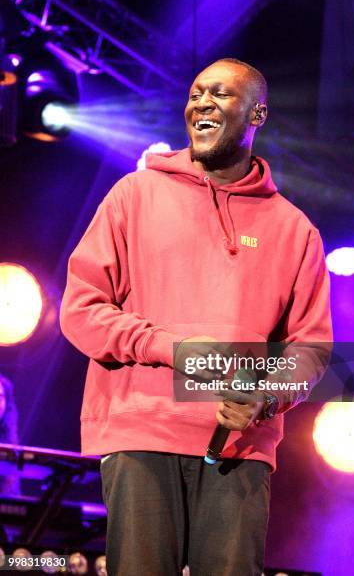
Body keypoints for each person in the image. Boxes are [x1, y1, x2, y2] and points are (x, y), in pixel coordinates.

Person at [60, 58, 332, 576]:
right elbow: (80, 310)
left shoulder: (296, 231)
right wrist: (170, 348)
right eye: (195, 93)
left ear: (258, 113)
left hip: (240, 445)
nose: (201, 102)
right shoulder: (134, 195)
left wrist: (267, 396)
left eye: (220, 94)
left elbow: (310, 350)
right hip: (142, 433)